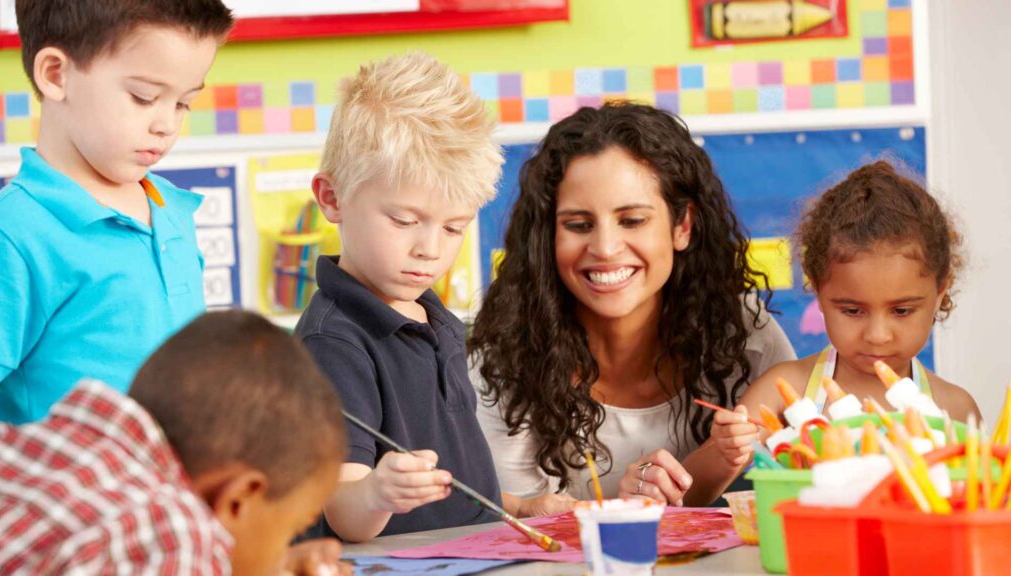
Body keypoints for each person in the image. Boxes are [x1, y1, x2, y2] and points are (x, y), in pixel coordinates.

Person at [296, 52, 572, 543]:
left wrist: (520, 506)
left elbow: (450, 480)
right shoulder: (333, 343)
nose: (429, 248)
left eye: (453, 227)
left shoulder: (434, 317)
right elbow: (342, 508)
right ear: (333, 199)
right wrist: (378, 494)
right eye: (404, 221)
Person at [470, 102, 796, 508]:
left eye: (632, 220)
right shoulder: (503, 363)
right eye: (578, 225)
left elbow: (797, 474)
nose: (605, 249)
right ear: (546, 237)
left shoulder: (745, 336)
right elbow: (523, 526)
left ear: (683, 226)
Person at [0, 0, 234, 425]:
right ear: (55, 74)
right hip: (66, 490)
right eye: (145, 98)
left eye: (183, 104)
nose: (167, 126)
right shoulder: (10, 234)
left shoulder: (171, 207)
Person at [0, 311, 349, 575]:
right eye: (291, 532)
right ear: (237, 499)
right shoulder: (171, 540)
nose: (284, 547)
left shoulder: (51, 446)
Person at [738, 160, 980, 426]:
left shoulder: (955, 409)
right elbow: (699, 469)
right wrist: (724, 451)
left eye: (901, 311)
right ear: (818, 290)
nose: (877, 336)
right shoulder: (780, 392)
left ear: (940, 291)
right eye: (853, 311)